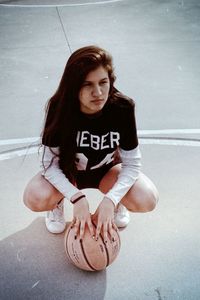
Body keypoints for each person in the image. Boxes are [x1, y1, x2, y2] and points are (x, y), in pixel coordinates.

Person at [23, 45, 159, 243]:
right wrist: (76, 198)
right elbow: (48, 164)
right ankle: (57, 203)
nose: (98, 92)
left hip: (107, 172)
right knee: (35, 197)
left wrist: (111, 200)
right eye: (88, 85)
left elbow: (132, 165)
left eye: (103, 82)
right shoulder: (59, 108)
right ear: (74, 86)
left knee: (147, 199)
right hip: (69, 172)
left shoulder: (122, 108)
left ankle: (117, 201)